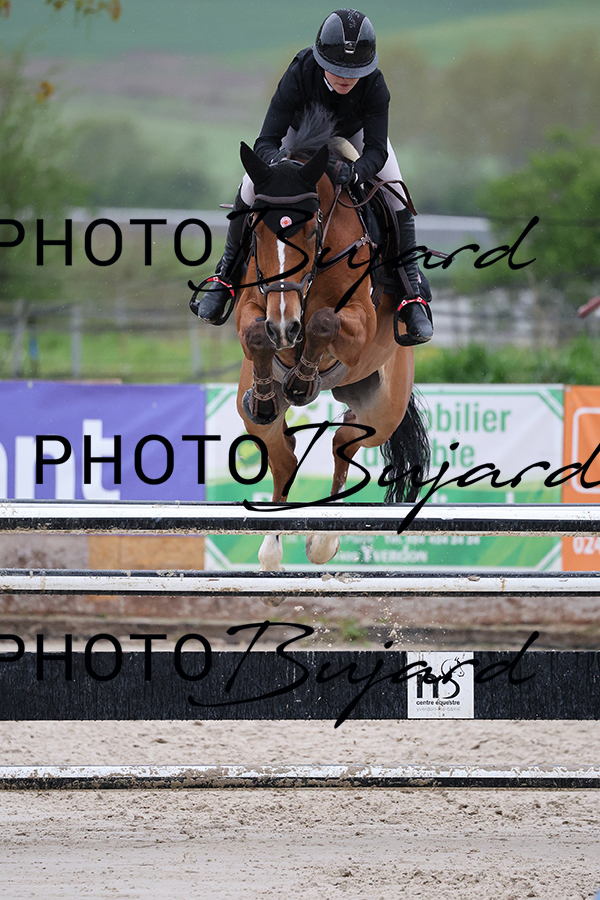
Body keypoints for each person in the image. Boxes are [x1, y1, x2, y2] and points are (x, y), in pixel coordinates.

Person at [192, 8, 433, 345]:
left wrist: (355, 172)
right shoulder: (300, 73)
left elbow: (377, 151)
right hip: (299, 136)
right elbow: (266, 141)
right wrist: (281, 165)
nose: (346, 78)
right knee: (249, 187)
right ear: (321, 60)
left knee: (397, 196)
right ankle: (225, 277)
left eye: (354, 71)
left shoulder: (375, 84)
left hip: (354, 136)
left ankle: (411, 294)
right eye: (337, 69)